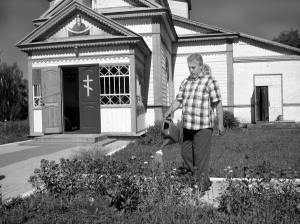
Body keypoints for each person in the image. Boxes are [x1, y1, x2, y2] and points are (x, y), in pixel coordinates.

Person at [165, 53, 225, 192]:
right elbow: (179, 100)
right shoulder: (185, 82)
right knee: (185, 153)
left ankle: (201, 186)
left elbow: (218, 104)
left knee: (200, 158)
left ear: (201, 66)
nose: (191, 70)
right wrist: (170, 110)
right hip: (187, 127)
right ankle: (203, 179)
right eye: (189, 67)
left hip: (203, 127)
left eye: (193, 67)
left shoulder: (210, 81)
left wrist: (220, 123)